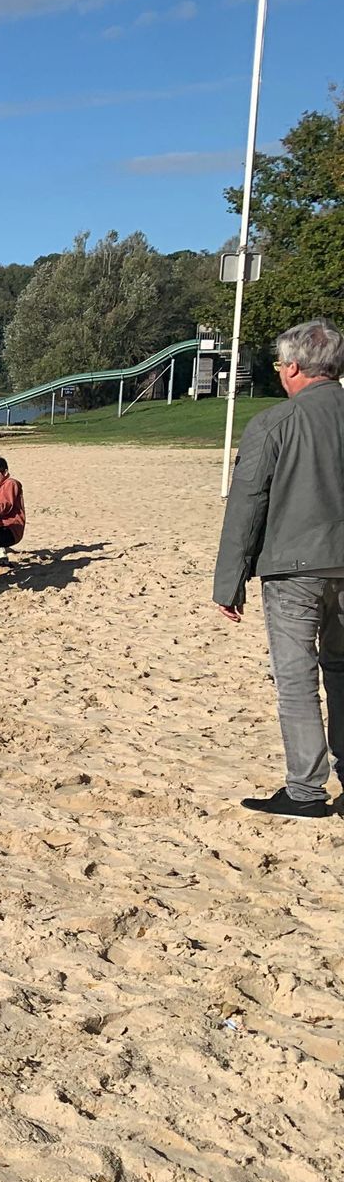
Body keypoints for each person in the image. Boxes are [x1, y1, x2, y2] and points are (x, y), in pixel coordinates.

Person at [211, 318, 344, 819]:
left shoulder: (275, 422)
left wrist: (230, 582)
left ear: (292, 367)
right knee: (342, 669)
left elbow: (247, 505)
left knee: (296, 678)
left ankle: (306, 789)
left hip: (294, 567)